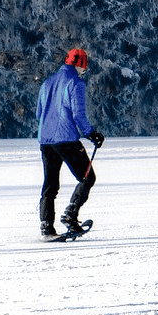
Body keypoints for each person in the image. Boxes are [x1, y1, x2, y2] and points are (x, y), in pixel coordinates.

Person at [36, 47, 104, 239]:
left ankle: (46, 227)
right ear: (80, 64)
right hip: (66, 139)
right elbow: (78, 114)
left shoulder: (47, 83)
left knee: (50, 184)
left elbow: (38, 114)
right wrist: (91, 134)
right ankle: (70, 215)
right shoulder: (76, 83)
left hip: (45, 140)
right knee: (87, 177)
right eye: (84, 67)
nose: (84, 71)